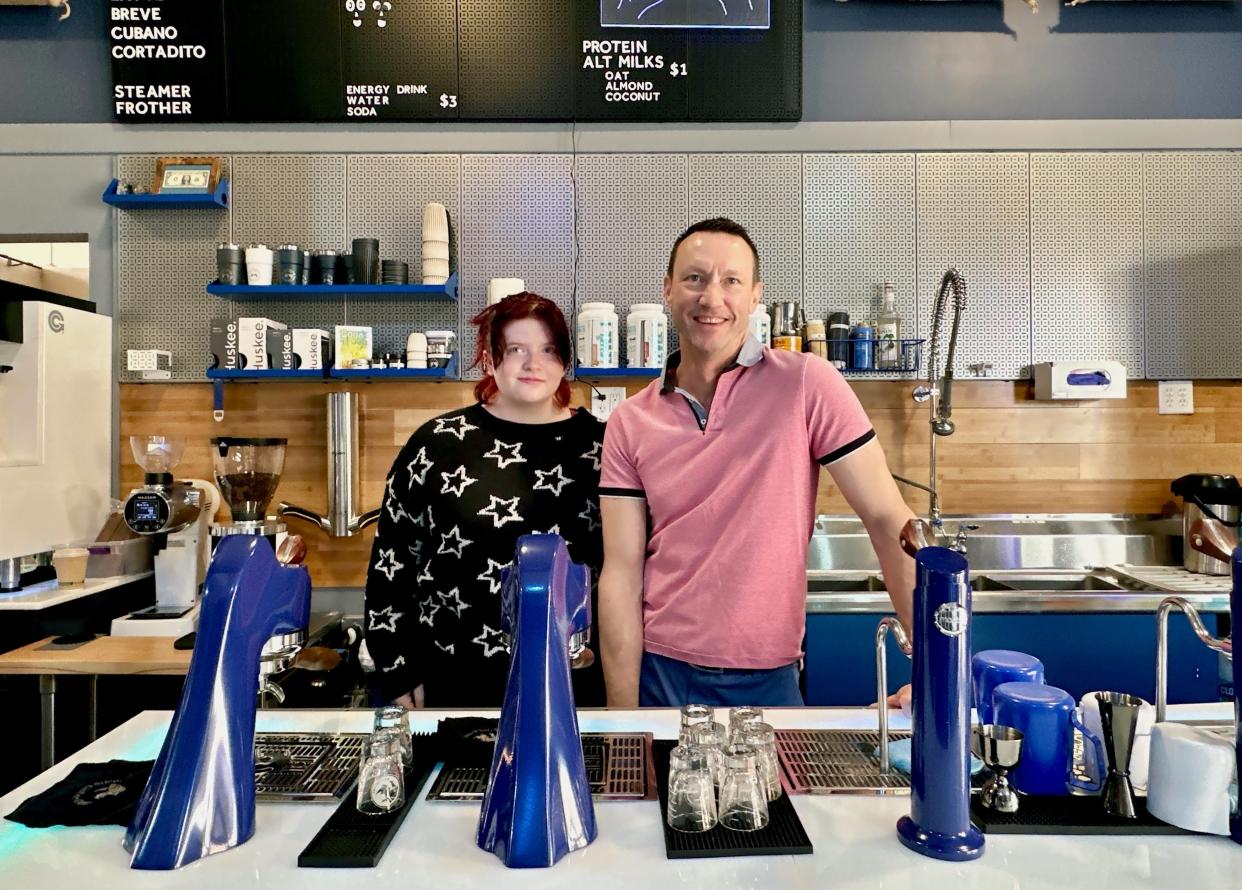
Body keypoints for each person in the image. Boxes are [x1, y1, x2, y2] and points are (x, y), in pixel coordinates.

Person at [598, 218, 917, 708]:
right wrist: (625, 723)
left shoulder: (808, 384)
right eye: (695, 278)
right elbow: (620, 572)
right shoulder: (629, 421)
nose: (712, 298)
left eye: (732, 281)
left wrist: (937, 672)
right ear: (668, 290)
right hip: (662, 673)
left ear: (754, 297)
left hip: (770, 675)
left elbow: (888, 521)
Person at [364, 293, 606, 708]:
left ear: (565, 360)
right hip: (457, 685)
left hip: (576, 687)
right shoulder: (437, 444)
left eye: (548, 349)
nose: (534, 364)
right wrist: (398, 668)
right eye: (516, 350)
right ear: (490, 358)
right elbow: (393, 562)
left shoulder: (603, 447)